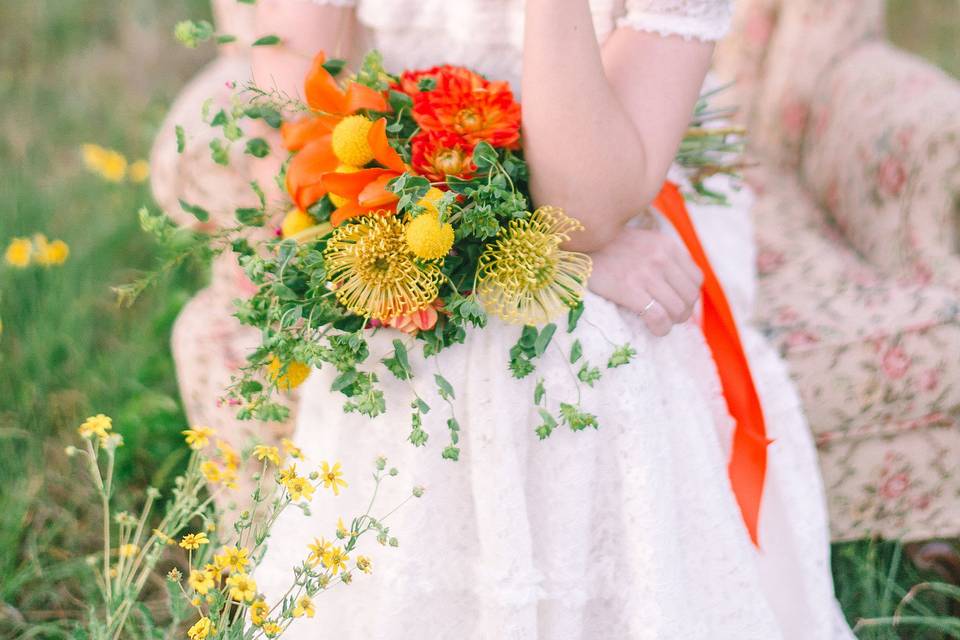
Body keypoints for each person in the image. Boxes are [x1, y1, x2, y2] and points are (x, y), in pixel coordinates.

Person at [252, 1, 855, 637]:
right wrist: (496, 244)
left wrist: (559, 245)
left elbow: (586, 206)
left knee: (584, 341)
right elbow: (298, 109)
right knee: (412, 325)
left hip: (613, 176)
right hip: (409, 195)